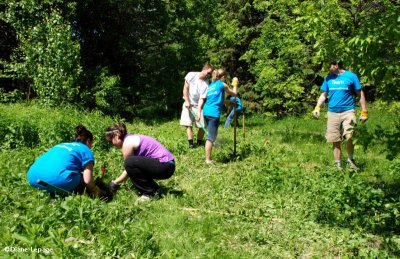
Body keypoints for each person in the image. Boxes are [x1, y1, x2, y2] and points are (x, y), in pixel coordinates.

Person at [312, 60, 368, 170]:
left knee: (350, 136)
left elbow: (359, 93)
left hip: (348, 111)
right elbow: (324, 94)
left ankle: (350, 160)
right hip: (332, 112)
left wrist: (364, 111)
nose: (328, 68)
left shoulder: (351, 76)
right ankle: (337, 166)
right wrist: (317, 107)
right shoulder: (328, 78)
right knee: (335, 139)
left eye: (329, 66)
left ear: (336, 65)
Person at [27, 124, 102, 197]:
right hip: (57, 182)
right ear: (88, 141)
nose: (91, 146)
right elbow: (87, 180)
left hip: (32, 178)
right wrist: (93, 189)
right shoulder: (85, 149)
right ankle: (83, 196)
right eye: (91, 143)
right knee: (83, 180)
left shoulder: (61, 144)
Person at [106, 123, 175, 200]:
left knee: (129, 162)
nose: (111, 144)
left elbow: (128, 167)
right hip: (168, 165)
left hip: (164, 166)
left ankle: (149, 193)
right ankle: (154, 189)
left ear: (116, 135)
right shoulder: (130, 137)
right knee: (132, 163)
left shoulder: (127, 143)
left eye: (110, 141)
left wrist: (115, 183)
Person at [200, 68, 238, 164]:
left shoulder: (211, 86)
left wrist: (229, 103)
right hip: (213, 113)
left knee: (213, 134)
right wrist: (235, 83)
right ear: (223, 76)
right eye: (225, 77)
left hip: (206, 111)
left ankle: (209, 155)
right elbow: (234, 94)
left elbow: (218, 100)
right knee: (211, 137)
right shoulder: (222, 85)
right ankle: (208, 159)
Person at [180, 63, 214, 148]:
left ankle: (199, 142)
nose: (209, 75)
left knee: (203, 125)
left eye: (210, 74)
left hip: (199, 105)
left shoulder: (206, 84)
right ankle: (191, 144)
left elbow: (202, 99)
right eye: (208, 73)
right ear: (204, 69)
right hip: (188, 103)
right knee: (188, 124)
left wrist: (199, 113)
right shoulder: (191, 75)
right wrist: (187, 101)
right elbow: (185, 88)